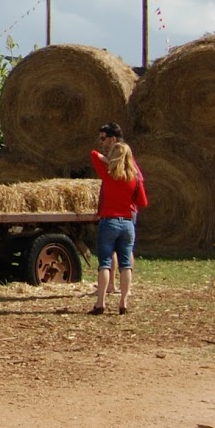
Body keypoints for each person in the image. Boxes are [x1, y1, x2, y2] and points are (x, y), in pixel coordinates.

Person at [89, 122, 149, 315]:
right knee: (126, 263)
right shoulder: (134, 177)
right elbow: (143, 201)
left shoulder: (108, 176)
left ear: (113, 141)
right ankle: (123, 301)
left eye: (104, 138)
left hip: (110, 221)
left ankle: (101, 302)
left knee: (104, 262)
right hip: (126, 223)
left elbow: (93, 154)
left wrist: (110, 164)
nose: (101, 142)